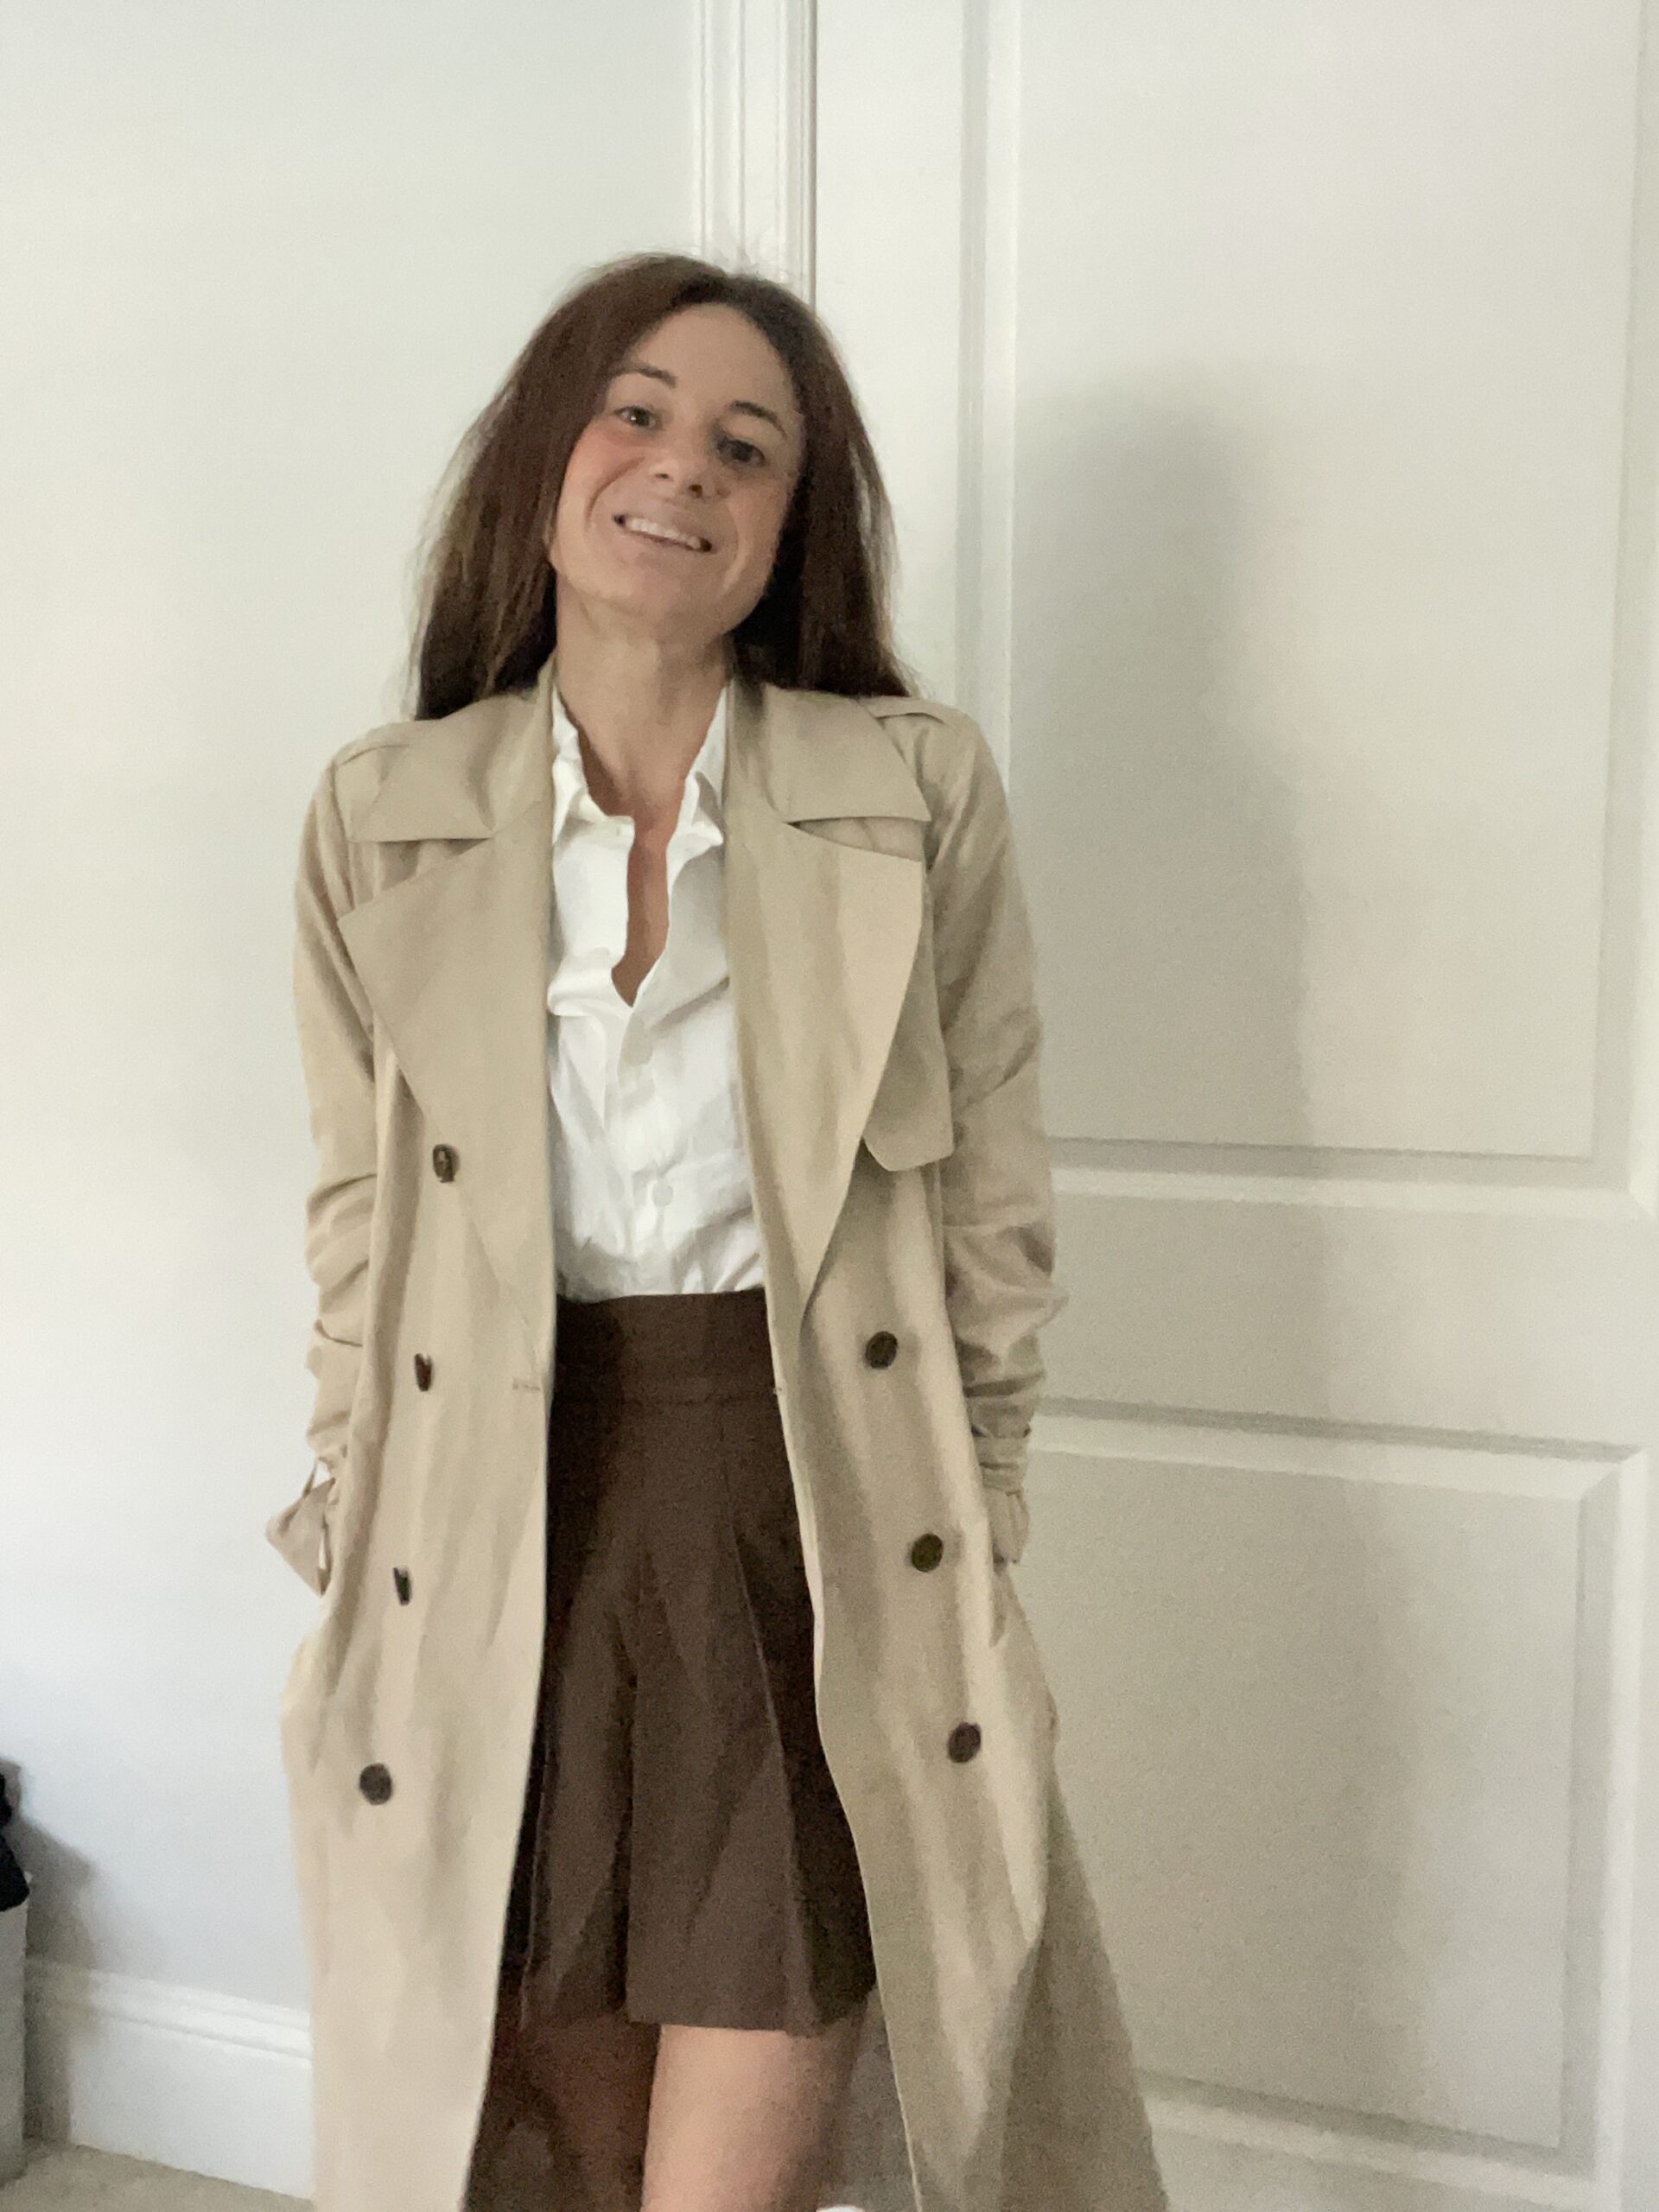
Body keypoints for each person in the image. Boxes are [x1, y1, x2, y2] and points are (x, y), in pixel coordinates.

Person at [269, 251, 1168, 2212]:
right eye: (638, 413)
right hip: (495, 1522)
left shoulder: (910, 793)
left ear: (791, 522)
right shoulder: (384, 813)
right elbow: (358, 1216)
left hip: (802, 1513)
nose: (685, 465)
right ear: (545, 459)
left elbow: (994, 1199)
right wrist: (346, 1494)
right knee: (573, 2150)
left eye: (748, 446)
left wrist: (981, 1496)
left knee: (742, 2164)